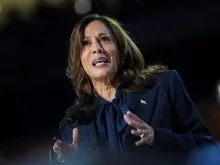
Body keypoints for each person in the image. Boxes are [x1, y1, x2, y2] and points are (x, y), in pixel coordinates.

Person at [52, 14, 214, 165]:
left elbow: (206, 146)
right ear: (79, 59)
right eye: (85, 43)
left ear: (121, 50)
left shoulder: (163, 85)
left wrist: (157, 137)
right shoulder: (77, 122)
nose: (97, 48)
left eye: (105, 39)